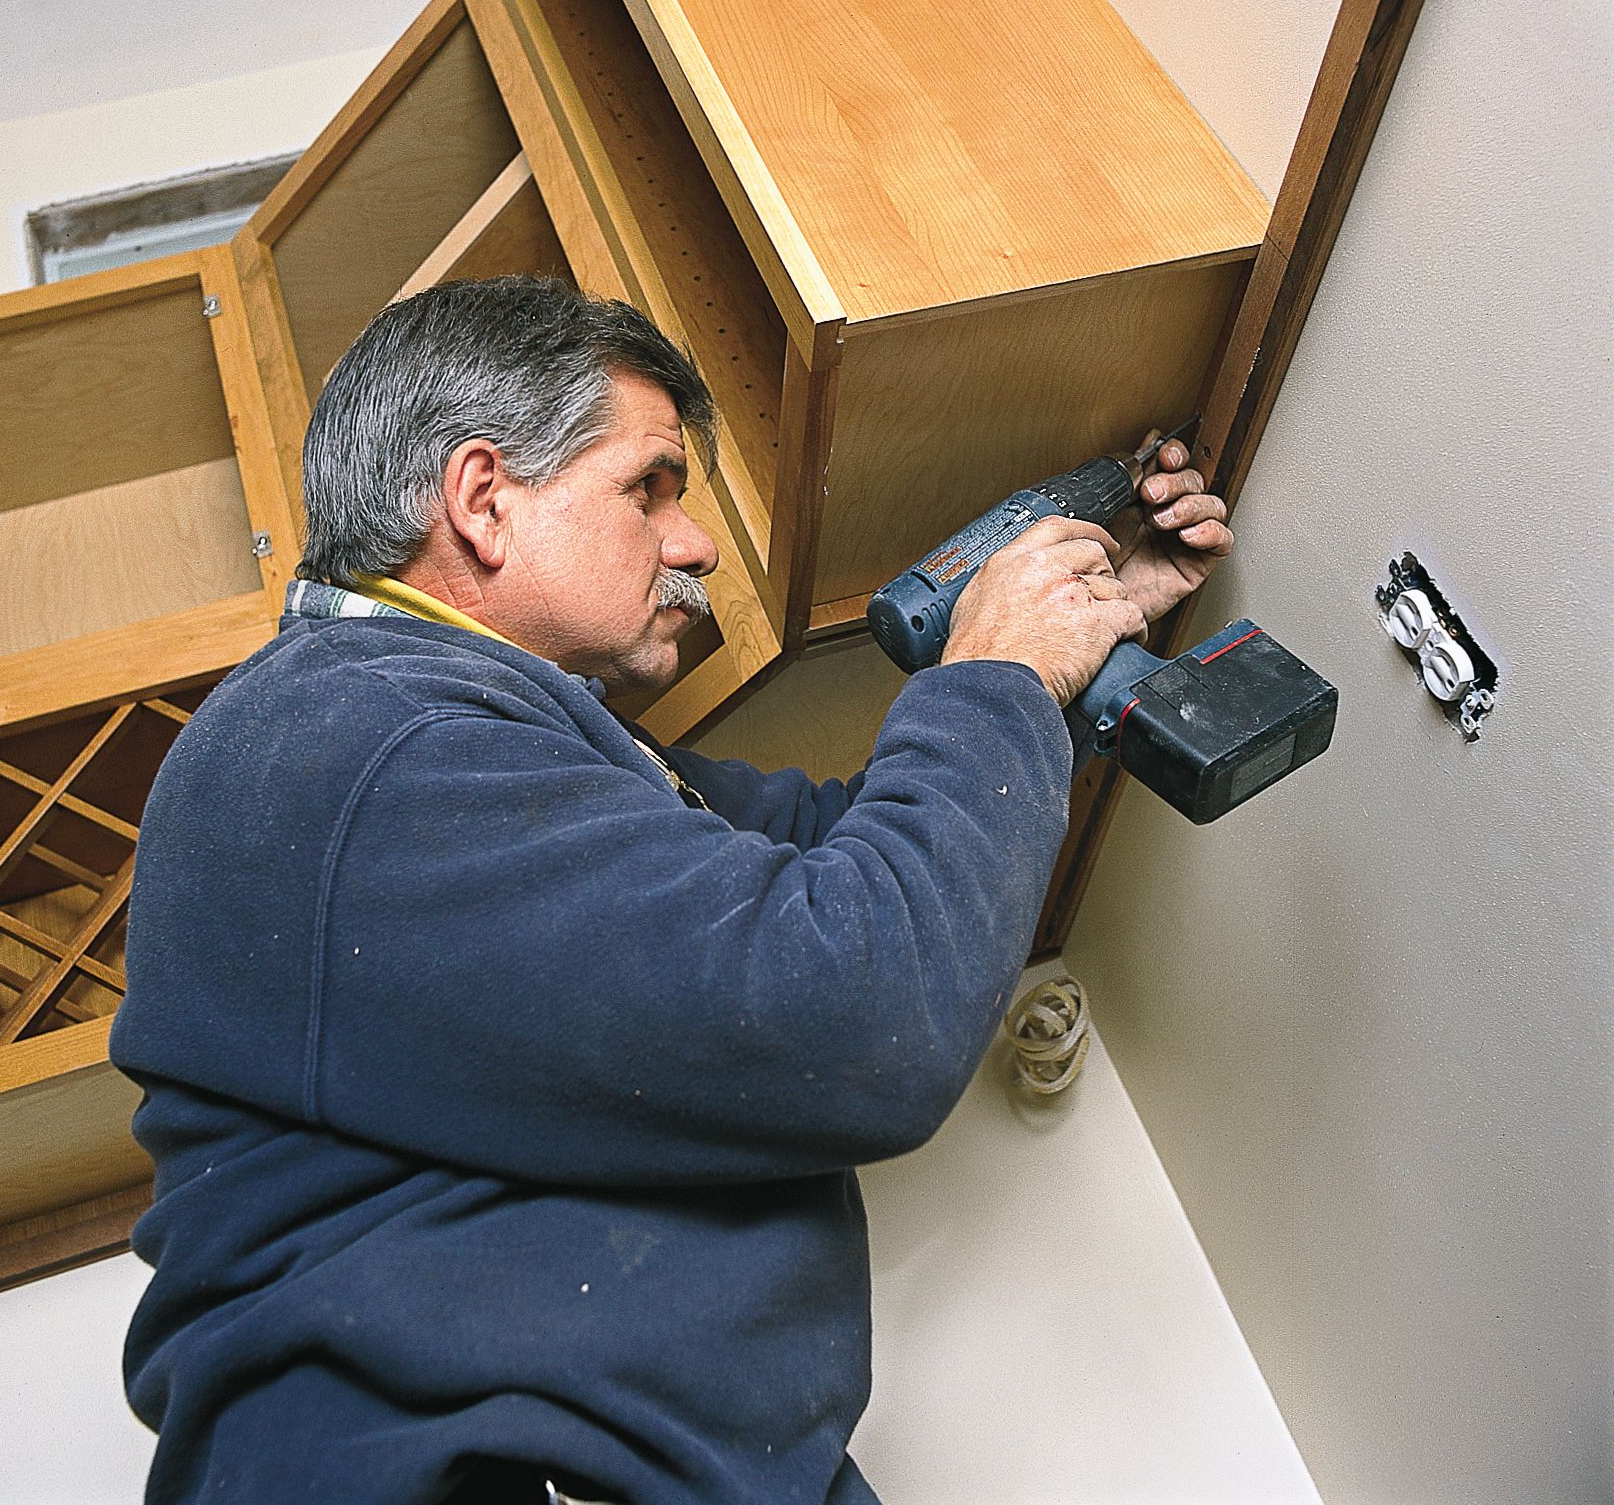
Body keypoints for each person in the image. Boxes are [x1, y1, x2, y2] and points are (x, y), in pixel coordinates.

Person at [111, 275, 1231, 1505]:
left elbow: (840, 860)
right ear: (483, 499)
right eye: (648, 485)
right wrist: (998, 676)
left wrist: (1065, 644)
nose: (694, 544)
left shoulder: (504, 753)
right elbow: (857, 1007)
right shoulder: (338, 734)